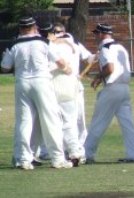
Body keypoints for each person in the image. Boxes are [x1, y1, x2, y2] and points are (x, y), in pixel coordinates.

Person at [1, 16, 73, 169]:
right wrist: (67, 68)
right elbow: (60, 62)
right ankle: (57, 158)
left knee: (24, 121)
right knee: (51, 119)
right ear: (34, 27)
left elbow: (5, 67)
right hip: (41, 81)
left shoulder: (14, 44)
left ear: (20, 29)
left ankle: (23, 159)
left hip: (22, 82)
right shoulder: (43, 42)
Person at [84, 23, 134, 163]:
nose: (95, 36)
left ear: (102, 34)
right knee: (128, 124)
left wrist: (98, 77)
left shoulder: (105, 48)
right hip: (125, 88)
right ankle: (133, 155)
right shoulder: (121, 47)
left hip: (112, 87)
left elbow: (110, 68)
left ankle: (86, 154)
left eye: (96, 33)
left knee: (99, 122)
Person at [38, 23, 85, 166]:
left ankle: (57, 155)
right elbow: (66, 42)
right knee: (70, 121)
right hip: (70, 85)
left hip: (53, 84)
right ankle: (75, 152)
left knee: (54, 123)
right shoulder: (70, 42)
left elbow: (55, 65)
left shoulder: (47, 45)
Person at [53, 22, 96, 147]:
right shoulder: (51, 45)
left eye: (59, 31)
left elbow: (89, 58)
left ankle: (79, 145)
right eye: (55, 31)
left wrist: (95, 56)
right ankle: (59, 146)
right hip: (57, 83)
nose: (58, 34)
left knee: (78, 117)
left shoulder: (75, 44)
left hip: (73, 84)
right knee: (57, 117)